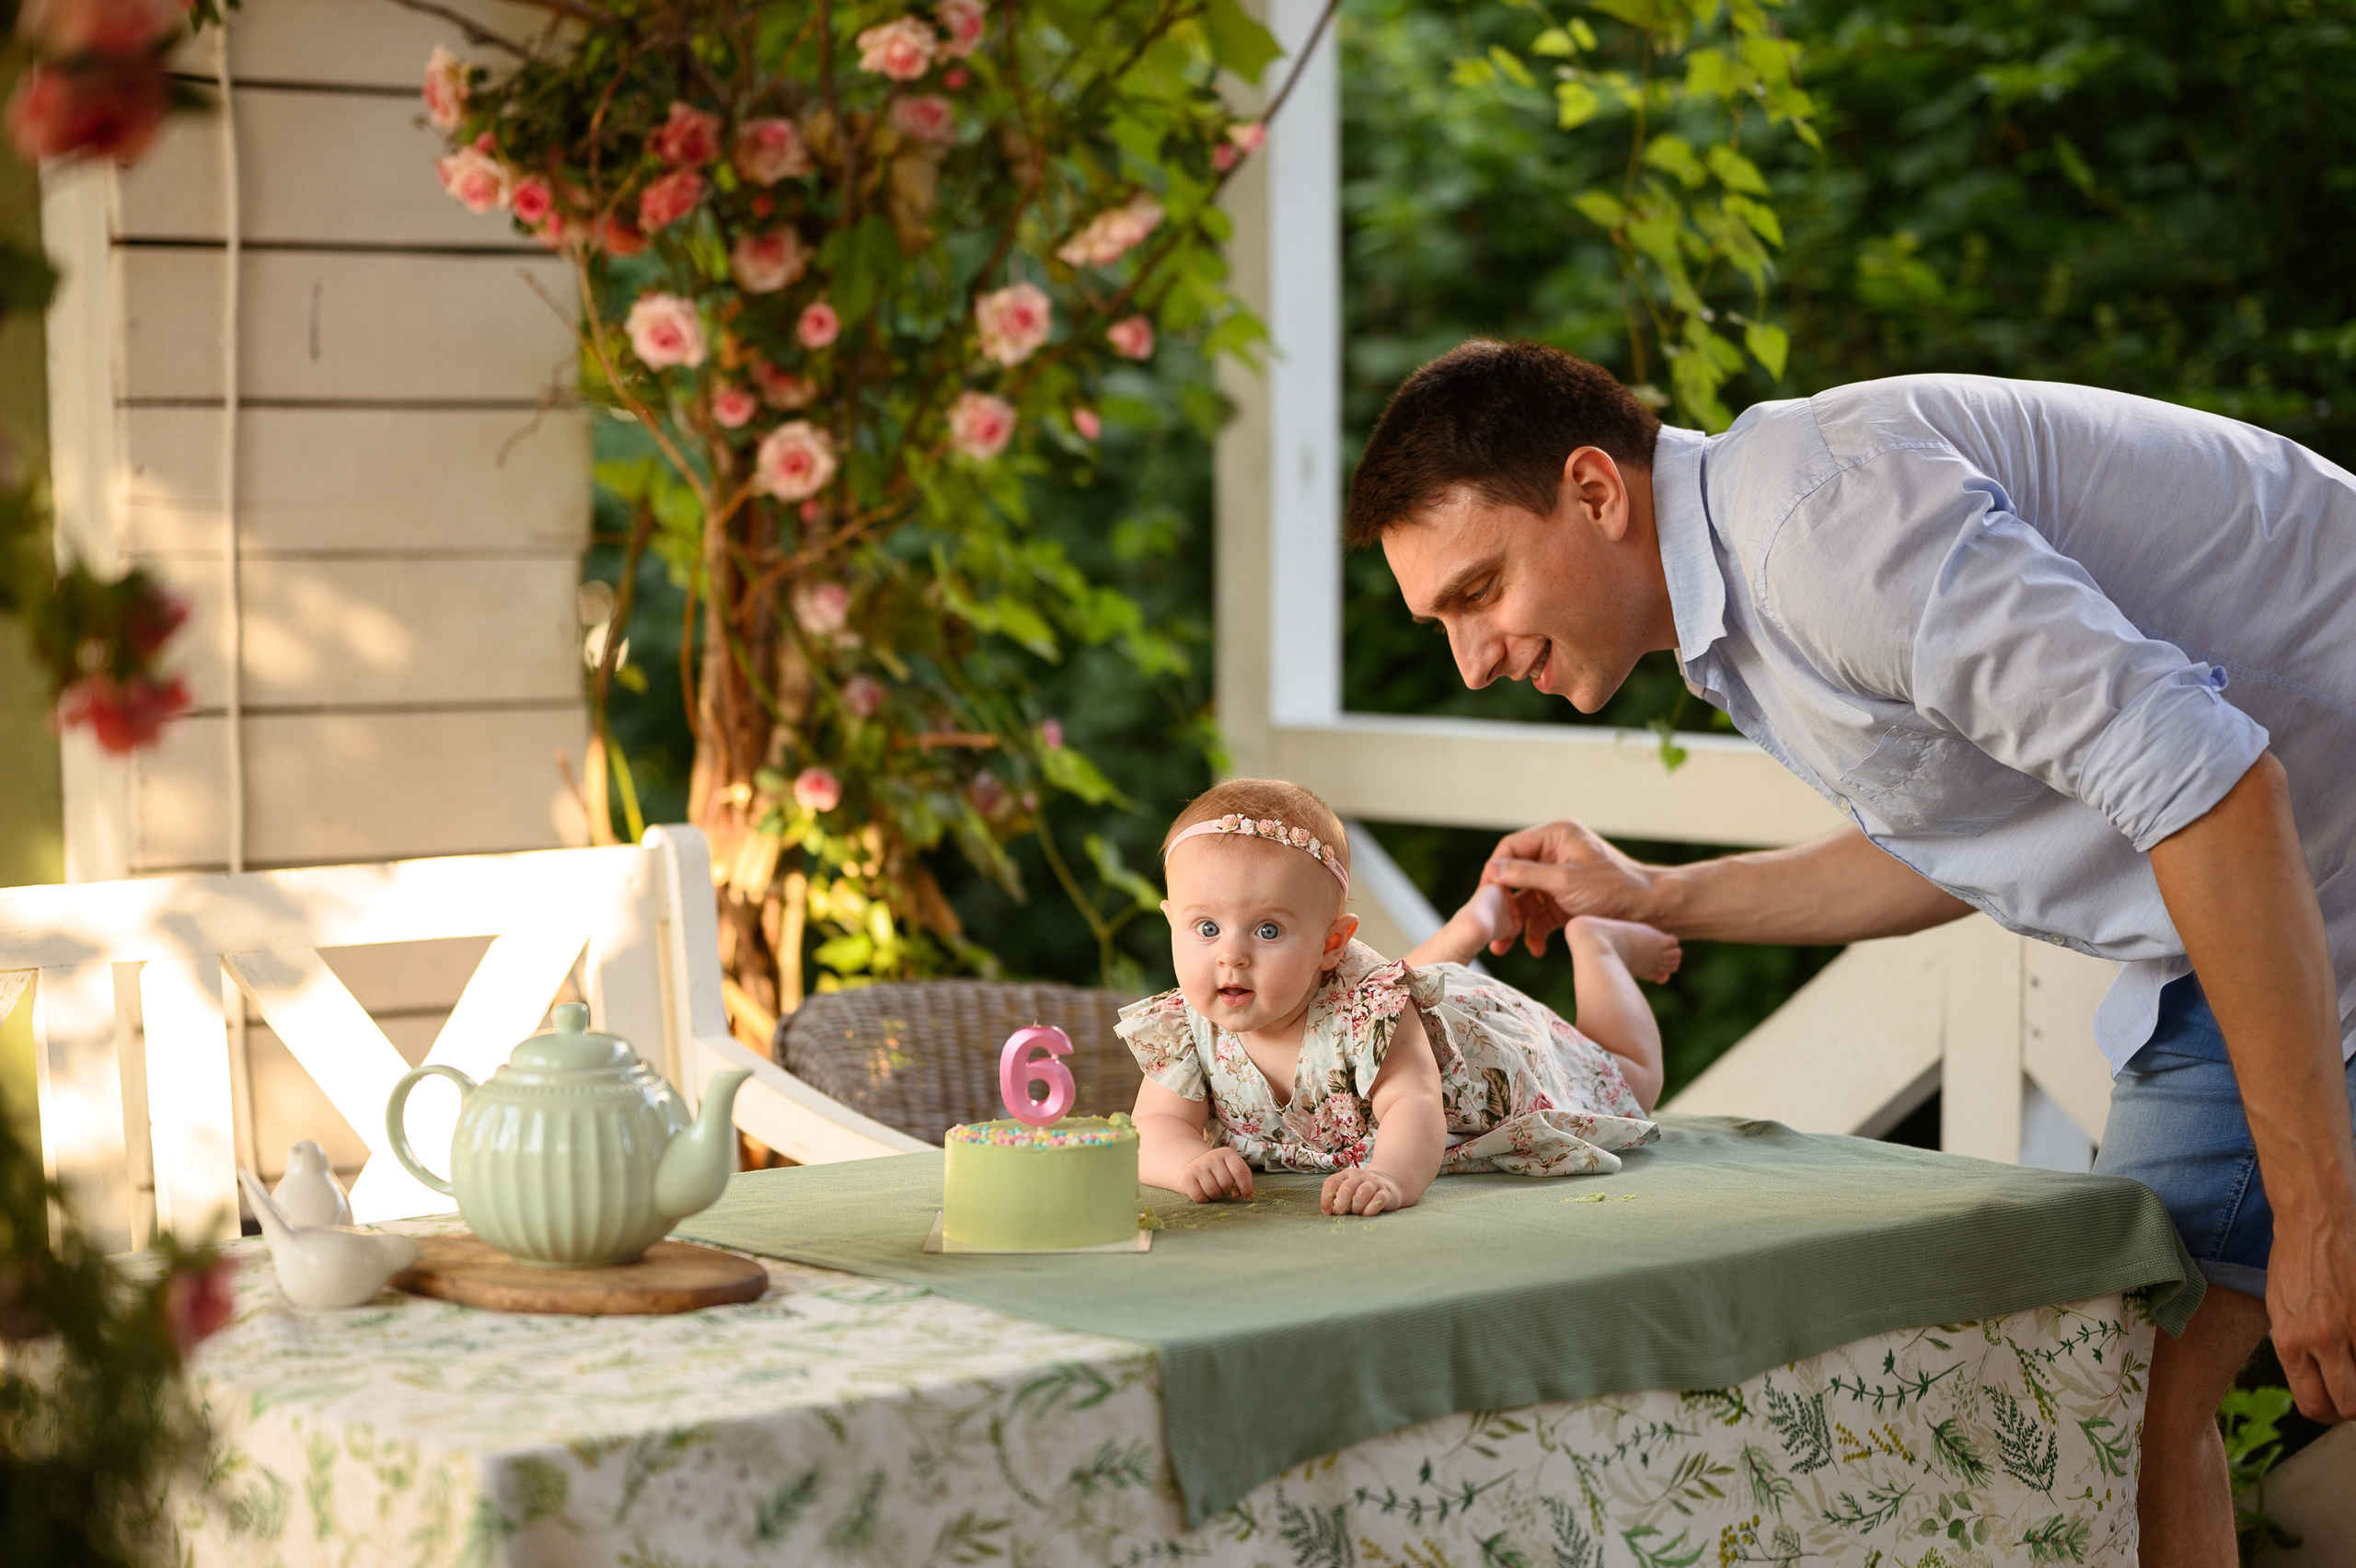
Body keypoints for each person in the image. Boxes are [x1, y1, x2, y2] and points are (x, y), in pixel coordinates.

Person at [1343, 339, 2356, 1564]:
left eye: (1478, 592)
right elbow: (1974, 829)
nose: (1474, 657)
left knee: (2171, 1376)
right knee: (2120, 1396)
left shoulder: (1822, 534)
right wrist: (1659, 895)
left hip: (2294, 862)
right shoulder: (1750, 603)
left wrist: (2317, 1216)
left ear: (1595, 492)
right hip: (2257, 902)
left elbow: (2214, 787)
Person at [1116, 777, 1671, 1216]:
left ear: (1332, 943)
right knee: (1392, 979)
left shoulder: (1372, 1011)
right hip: (1372, 991)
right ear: (1171, 923)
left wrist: (1390, 1175)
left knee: (1631, 1080)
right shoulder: (1186, 1027)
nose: (1229, 956)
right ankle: (1475, 920)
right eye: (1205, 928)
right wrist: (1189, 1163)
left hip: (1474, 1060)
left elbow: (1414, 1104)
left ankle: (1597, 945)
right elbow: (1159, 1127)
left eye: (1267, 931)